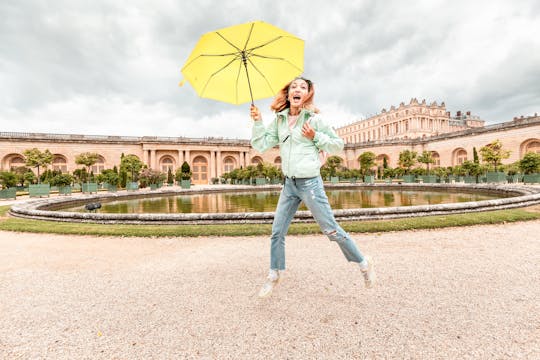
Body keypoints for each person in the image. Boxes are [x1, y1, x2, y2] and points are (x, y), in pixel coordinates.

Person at [250, 77, 376, 298]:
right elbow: (260, 145)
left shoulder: (314, 120)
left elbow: (338, 145)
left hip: (310, 184)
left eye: (303, 87)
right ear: (288, 94)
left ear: (307, 94)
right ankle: (274, 274)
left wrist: (314, 136)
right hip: (289, 184)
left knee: (331, 230)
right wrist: (258, 121)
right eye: (293, 87)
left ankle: (363, 263)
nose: (298, 90)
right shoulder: (279, 121)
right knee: (277, 232)